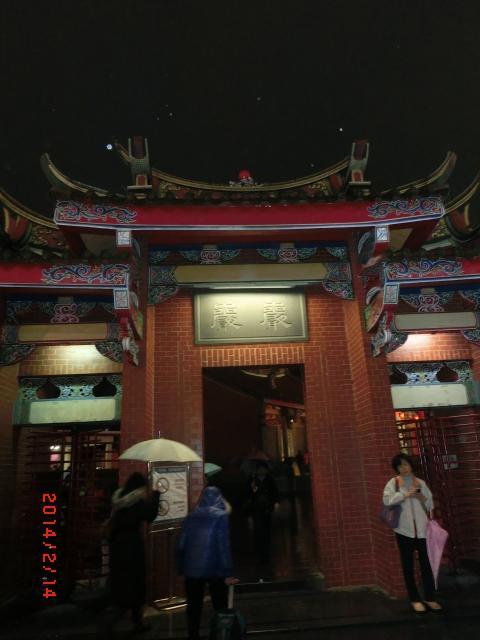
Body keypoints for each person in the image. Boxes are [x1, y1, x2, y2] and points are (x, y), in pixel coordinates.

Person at [383, 453, 443, 614]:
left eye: (406, 464)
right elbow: (387, 501)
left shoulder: (420, 483)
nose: (403, 468)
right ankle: (415, 599)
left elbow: (430, 505)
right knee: (407, 565)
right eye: (400, 466)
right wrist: (405, 494)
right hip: (403, 531)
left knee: (426, 565)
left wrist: (421, 496)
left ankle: (430, 598)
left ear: (411, 465)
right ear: (396, 469)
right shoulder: (393, 483)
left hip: (423, 531)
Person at [176, 486, 237, 640]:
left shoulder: (190, 516)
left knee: (194, 606)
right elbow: (223, 546)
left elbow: (180, 545)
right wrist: (228, 572)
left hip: (192, 570)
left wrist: (181, 568)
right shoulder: (221, 516)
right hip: (215, 569)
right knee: (219, 605)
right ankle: (220, 634)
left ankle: (193, 635)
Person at [105, 472, 160, 634]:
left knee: (122, 584)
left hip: (117, 547)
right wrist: (156, 497)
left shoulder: (119, 498)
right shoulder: (135, 501)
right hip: (132, 548)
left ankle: (132, 621)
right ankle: (129, 622)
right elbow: (150, 515)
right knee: (134, 584)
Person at [246, 462, 279, 565]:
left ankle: (266, 547)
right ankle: (259, 548)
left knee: (267, 526)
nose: (261, 471)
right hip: (256, 507)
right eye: (259, 469)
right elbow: (248, 493)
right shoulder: (253, 479)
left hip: (267, 506)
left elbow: (275, 492)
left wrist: (275, 502)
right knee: (258, 527)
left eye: (263, 469)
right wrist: (252, 488)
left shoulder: (269, 479)